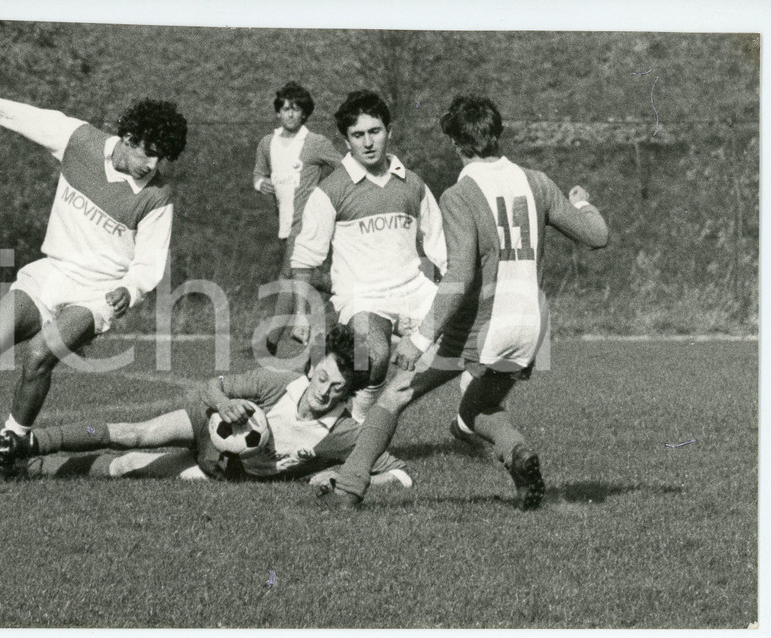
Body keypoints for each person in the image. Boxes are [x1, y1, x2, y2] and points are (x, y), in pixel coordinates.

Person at [315, 95, 609, 510]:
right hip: (531, 327)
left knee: (395, 393)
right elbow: (597, 236)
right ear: (498, 133)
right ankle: (519, 455)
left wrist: (418, 340)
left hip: (481, 323)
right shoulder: (538, 182)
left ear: (456, 143)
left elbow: (458, 278)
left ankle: (347, 489)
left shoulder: (460, 195)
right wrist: (580, 202)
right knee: (479, 407)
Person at [0, 88, 188, 451]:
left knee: (39, 354)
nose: (153, 165)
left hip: (97, 293)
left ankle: (10, 446)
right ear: (130, 137)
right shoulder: (80, 141)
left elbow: (149, 263)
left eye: (162, 158)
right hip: (50, 273)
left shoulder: (157, 195)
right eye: (149, 152)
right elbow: (14, 112)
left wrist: (131, 289)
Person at [0, 324, 413, 489]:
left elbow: (399, 473)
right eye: (322, 378)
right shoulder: (277, 383)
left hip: (227, 470)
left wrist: (338, 474)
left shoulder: (344, 434)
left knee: (127, 467)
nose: (323, 391)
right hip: (210, 426)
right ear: (314, 366)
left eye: (336, 389)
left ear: (349, 392)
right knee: (137, 433)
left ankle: (30, 471)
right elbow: (211, 386)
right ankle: (26, 442)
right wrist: (225, 405)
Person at [290, 90, 447, 423]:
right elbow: (305, 258)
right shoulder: (331, 190)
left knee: (474, 338)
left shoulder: (413, 183)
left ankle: (468, 421)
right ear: (347, 141)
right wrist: (302, 314)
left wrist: (456, 290)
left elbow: (441, 247)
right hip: (363, 298)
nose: (368, 142)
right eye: (357, 135)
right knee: (370, 359)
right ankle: (360, 426)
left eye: (374, 131)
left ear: (388, 131)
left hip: (414, 291)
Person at [253, 81, 344, 354]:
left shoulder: (315, 143)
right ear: (278, 112)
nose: (290, 114)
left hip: (306, 222)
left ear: (304, 113)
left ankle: (274, 337)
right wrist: (261, 184)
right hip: (284, 220)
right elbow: (258, 174)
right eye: (284, 109)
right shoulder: (267, 143)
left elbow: (344, 167)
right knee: (296, 277)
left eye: (295, 110)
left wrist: (324, 195)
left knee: (286, 275)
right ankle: (338, 285)